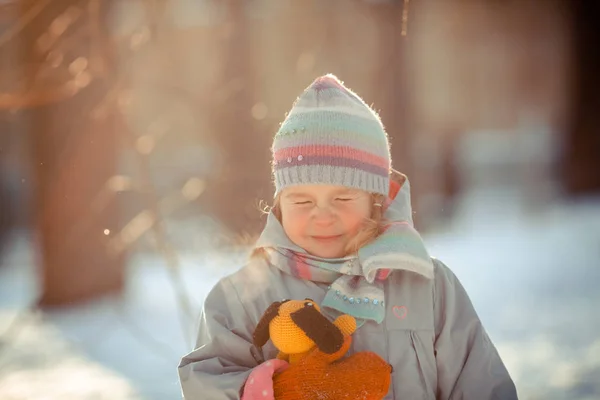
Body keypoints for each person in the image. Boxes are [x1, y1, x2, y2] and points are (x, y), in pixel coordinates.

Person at [178, 74, 518, 399]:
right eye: (302, 200)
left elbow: (480, 385)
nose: (322, 215)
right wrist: (275, 391)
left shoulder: (428, 287)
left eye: (342, 198)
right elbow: (204, 382)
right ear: (280, 203)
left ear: (375, 201)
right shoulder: (243, 295)